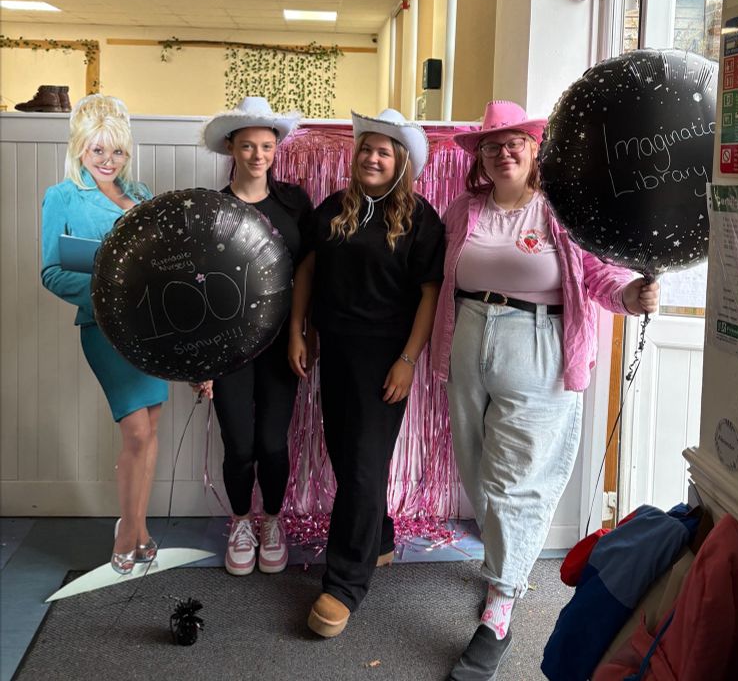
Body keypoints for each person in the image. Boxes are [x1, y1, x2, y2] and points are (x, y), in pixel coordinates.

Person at [430, 100, 660, 681]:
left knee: (515, 480)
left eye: (515, 143)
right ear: (480, 157)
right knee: (478, 471)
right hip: (468, 338)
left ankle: (500, 607)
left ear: (535, 149)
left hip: (538, 344)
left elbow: (598, 274)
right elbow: (438, 275)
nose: (503, 153)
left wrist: (629, 295)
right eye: (491, 145)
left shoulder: (561, 208)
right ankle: (502, 567)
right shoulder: (463, 209)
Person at [288, 109, 445, 638]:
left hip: (385, 359)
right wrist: (298, 330)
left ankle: (344, 584)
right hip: (335, 351)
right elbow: (307, 270)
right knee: (348, 458)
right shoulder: (334, 208)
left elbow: (429, 295)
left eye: (383, 152)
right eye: (366, 149)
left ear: (400, 162)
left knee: (361, 466)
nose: (372, 158)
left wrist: (408, 360)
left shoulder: (421, 218)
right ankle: (378, 537)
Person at [41, 94, 168, 574]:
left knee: (151, 429)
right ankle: (128, 532)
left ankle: (139, 528)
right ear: (80, 148)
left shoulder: (142, 193)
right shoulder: (62, 196)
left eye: (116, 151)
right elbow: (52, 272)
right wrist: (111, 291)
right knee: (136, 431)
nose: (108, 161)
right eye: (98, 150)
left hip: (151, 330)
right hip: (104, 327)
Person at [196, 96, 312, 576]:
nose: (258, 155)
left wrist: (300, 333)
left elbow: (308, 271)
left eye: (266, 146)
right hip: (228, 349)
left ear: (276, 148)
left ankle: (272, 521)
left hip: (282, 342)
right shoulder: (213, 208)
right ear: (232, 148)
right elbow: (199, 288)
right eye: (248, 146)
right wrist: (201, 362)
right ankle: (241, 522)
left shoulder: (294, 203)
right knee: (239, 444)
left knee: (272, 443)